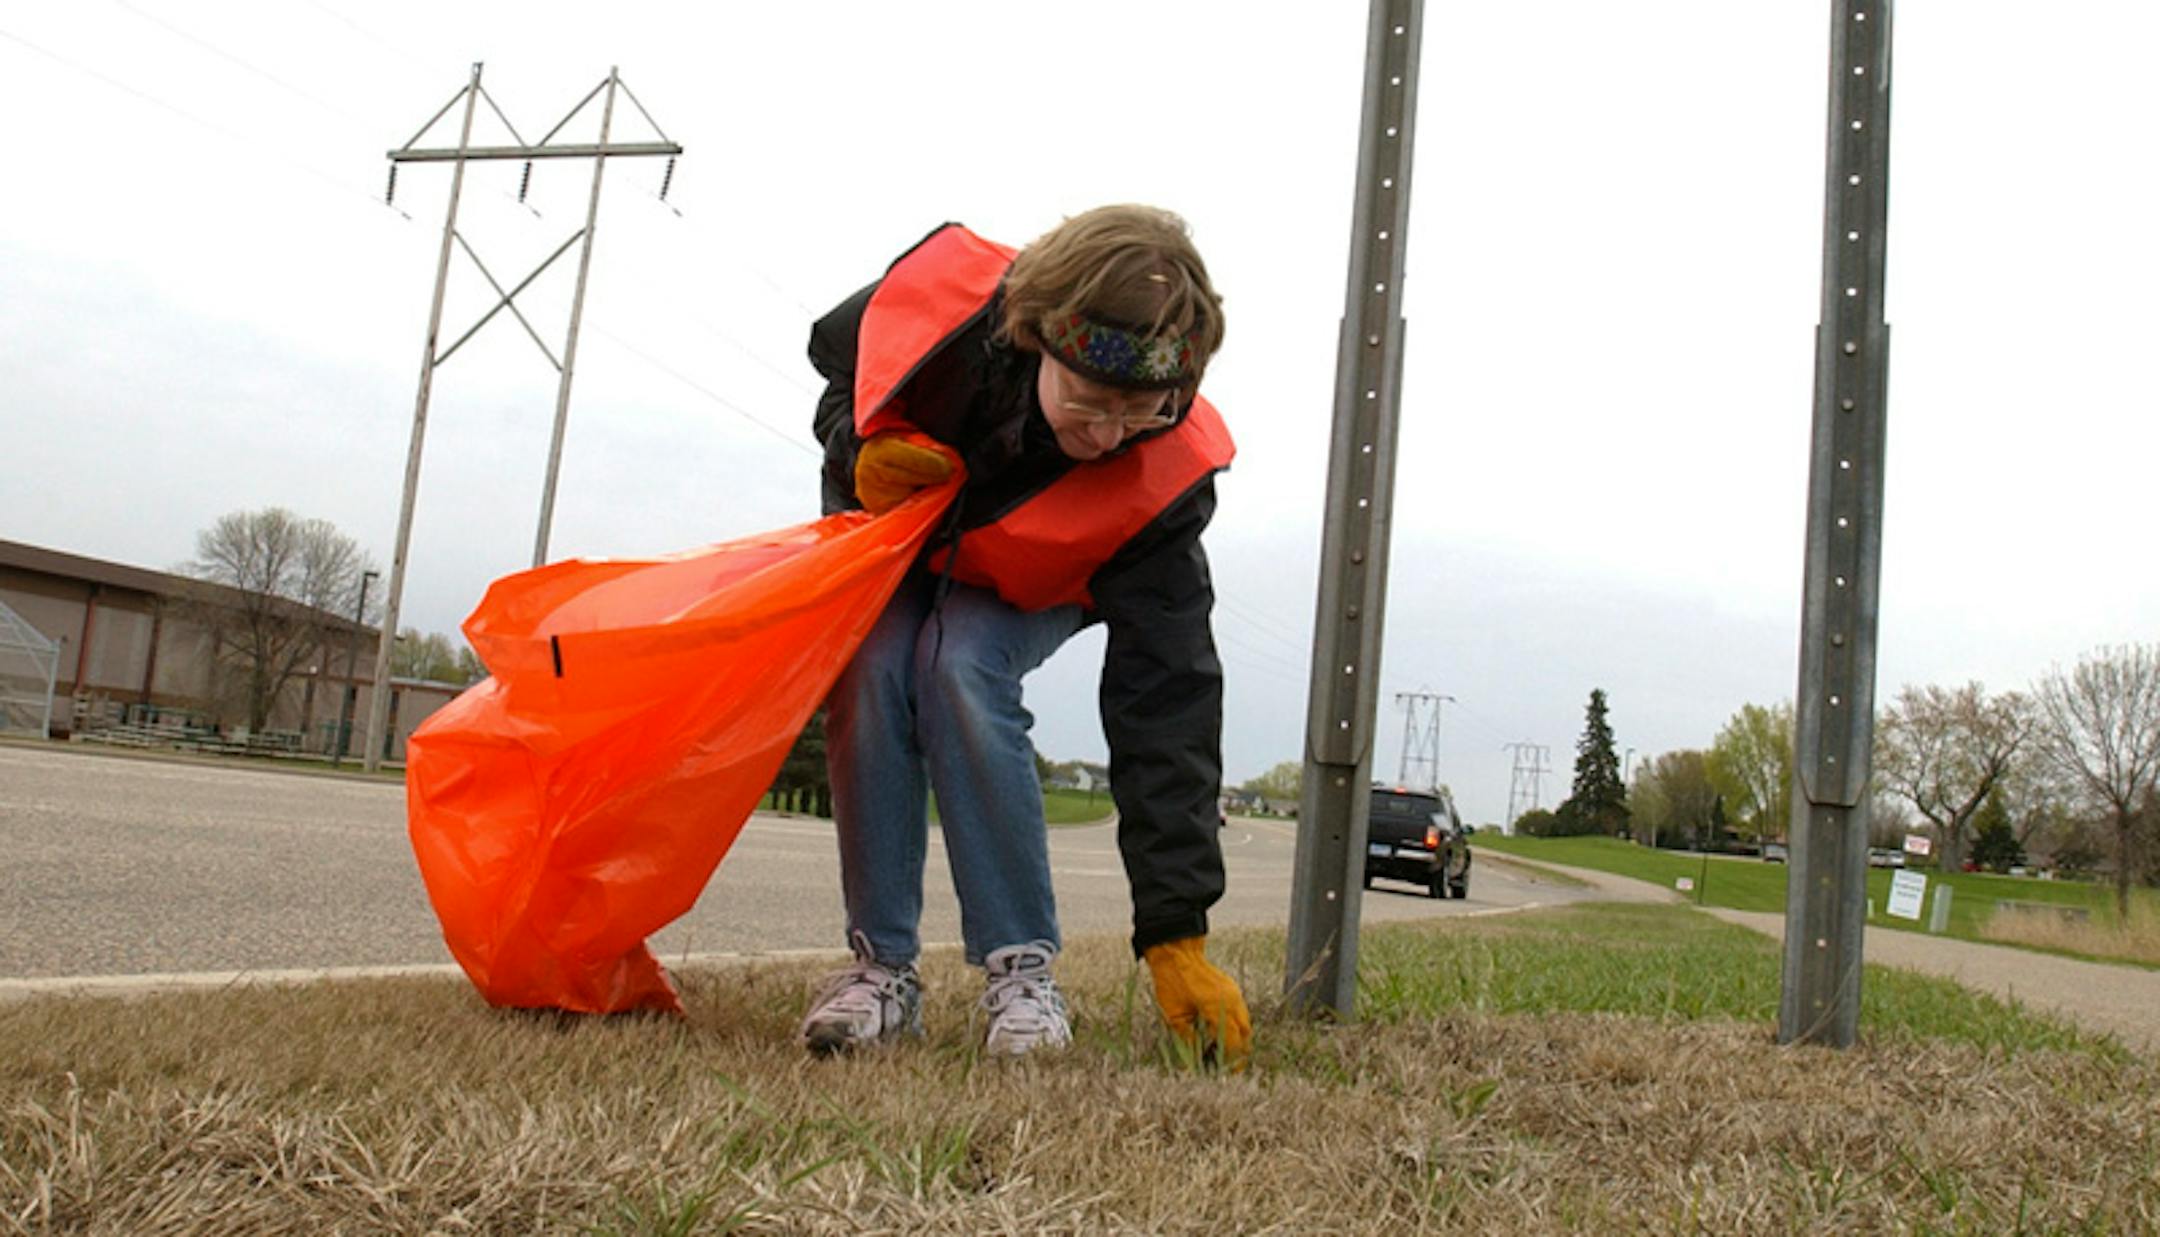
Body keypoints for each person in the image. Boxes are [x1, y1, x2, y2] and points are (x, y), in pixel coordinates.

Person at [795, 205, 1252, 1063]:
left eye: (1141, 411)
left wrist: (1174, 930)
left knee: (958, 664)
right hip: (915, 530)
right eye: (1089, 401)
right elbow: (836, 367)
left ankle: (1022, 973)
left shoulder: (1165, 476)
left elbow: (1169, 694)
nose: (1110, 434)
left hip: (1040, 573)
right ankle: (881, 969)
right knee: (873, 662)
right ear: (1040, 337)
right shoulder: (944, 319)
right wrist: (855, 452)